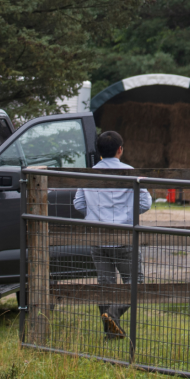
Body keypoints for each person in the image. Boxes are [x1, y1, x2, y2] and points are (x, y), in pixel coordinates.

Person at [73, 131, 152, 340]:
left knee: (105, 284)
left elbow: (78, 203)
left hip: (98, 238)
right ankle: (114, 315)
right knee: (136, 283)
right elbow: (146, 203)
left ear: (98, 152)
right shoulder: (131, 173)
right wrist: (127, 213)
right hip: (125, 236)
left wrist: (96, 214)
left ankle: (110, 331)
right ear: (120, 149)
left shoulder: (88, 174)